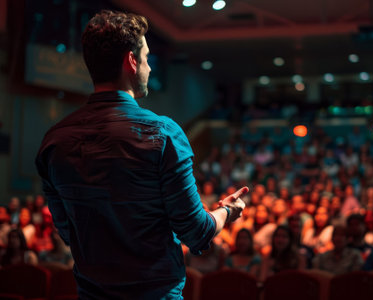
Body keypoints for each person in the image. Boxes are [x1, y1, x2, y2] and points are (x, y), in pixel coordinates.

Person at [35, 10, 247, 299]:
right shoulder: (163, 135)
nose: (149, 67)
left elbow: (69, 233)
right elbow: (196, 231)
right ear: (132, 62)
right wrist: (227, 211)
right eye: (146, 58)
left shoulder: (54, 141)